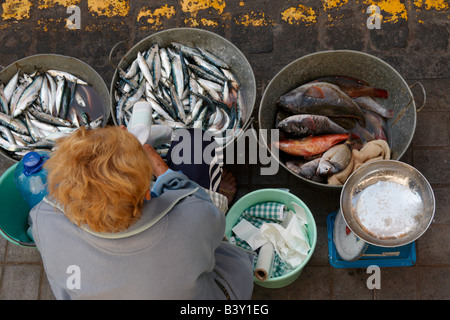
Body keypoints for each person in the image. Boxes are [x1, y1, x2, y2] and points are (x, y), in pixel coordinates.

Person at [30, 125, 254, 299]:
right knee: (195, 145)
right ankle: (217, 193)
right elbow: (208, 218)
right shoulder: (194, 216)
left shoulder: (44, 219)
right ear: (148, 193)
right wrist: (160, 167)